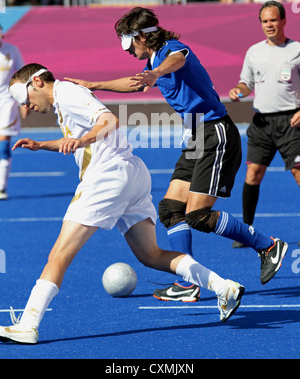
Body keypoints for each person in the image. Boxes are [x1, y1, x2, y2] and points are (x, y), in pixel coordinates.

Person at [0, 63, 245, 345]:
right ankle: (223, 286)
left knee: (59, 254)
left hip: (106, 178)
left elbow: (109, 121)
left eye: (24, 98)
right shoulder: (64, 100)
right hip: (132, 174)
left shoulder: (67, 93)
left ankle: (28, 324)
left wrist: (84, 139)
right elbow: (80, 139)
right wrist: (42, 145)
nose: (26, 106)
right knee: (150, 255)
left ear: (37, 83)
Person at [65, 6, 288, 302]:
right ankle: (189, 282)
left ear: (143, 37)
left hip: (215, 132)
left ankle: (267, 245)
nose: (128, 50)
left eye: (130, 43)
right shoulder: (154, 59)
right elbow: (134, 83)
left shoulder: (170, 51)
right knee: (171, 209)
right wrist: (93, 85)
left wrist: (155, 73)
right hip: (196, 133)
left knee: (197, 215)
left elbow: (177, 59)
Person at [228, 0, 300, 248]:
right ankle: (247, 232)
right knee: (253, 174)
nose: (269, 24)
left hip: (292, 122)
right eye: (265, 21)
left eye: (273, 20)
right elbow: (246, 83)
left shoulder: (296, 50)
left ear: (283, 21)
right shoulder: (254, 52)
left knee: (299, 175)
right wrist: (239, 90)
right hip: (261, 122)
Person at [0, 23, 25, 200]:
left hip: (6, 101)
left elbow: (23, 76)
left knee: (3, 146)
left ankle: (1, 187)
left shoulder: (12, 50)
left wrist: (24, 101)